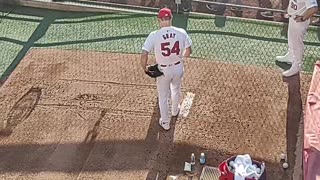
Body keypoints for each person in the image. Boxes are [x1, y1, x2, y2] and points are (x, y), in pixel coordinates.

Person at [140, 7, 192, 130]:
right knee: (176, 89)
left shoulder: (154, 35)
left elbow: (144, 54)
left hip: (163, 70)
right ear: (171, 18)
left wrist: (145, 68)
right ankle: (175, 110)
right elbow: (189, 51)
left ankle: (165, 122)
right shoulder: (181, 32)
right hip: (178, 67)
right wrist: (180, 58)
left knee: (163, 97)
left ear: (159, 19)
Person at [276, 0, 318, 77]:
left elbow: (313, 8)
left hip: (300, 22)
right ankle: (290, 55)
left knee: (297, 43)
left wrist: (302, 18)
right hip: (292, 18)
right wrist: (288, 10)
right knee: (291, 39)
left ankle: (297, 65)